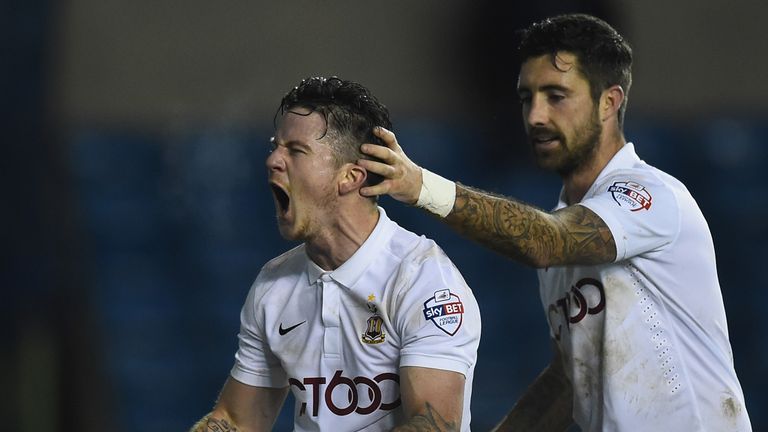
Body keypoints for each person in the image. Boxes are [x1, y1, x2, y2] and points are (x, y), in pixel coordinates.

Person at [357, 13, 752, 432]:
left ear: (609, 101)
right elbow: (569, 380)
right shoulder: (563, 226)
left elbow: (546, 240)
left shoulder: (650, 195)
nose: (535, 116)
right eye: (527, 97)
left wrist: (422, 186)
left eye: (556, 95)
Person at [190, 76, 481, 432]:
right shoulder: (273, 285)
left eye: (295, 150)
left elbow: (434, 425)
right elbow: (236, 420)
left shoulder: (423, 278)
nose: (272, 160)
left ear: (351, 177)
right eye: (275, 146)